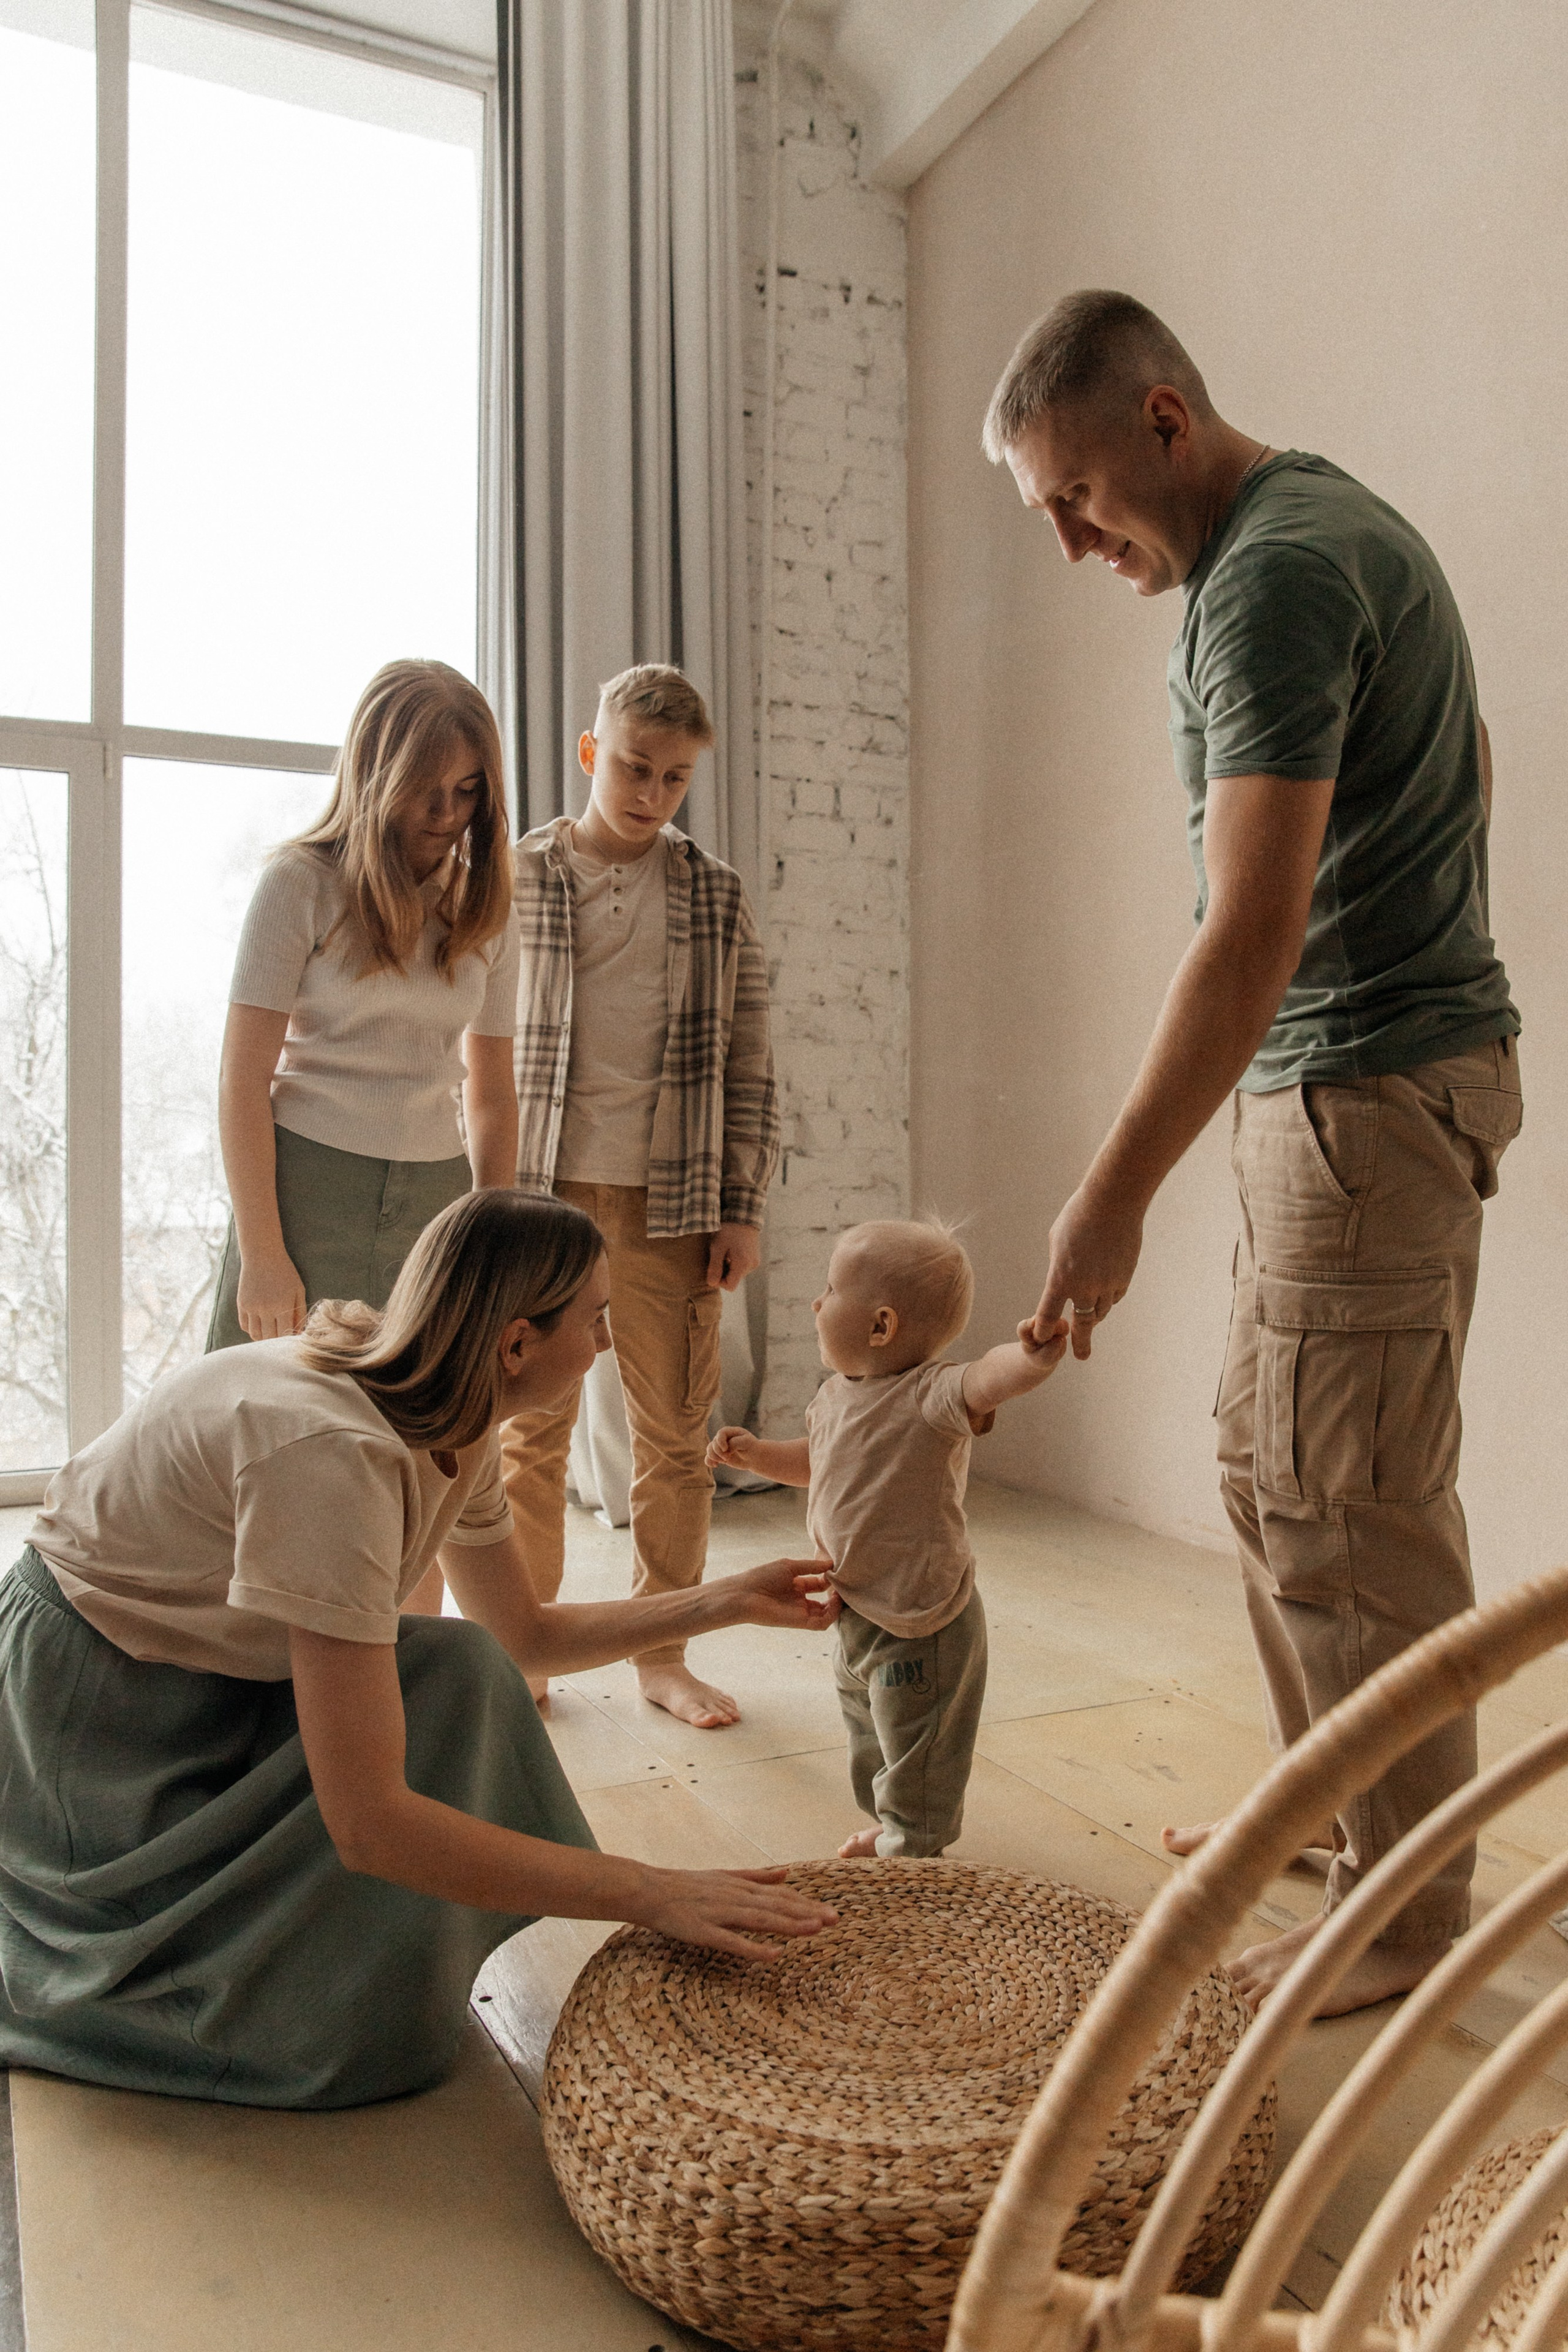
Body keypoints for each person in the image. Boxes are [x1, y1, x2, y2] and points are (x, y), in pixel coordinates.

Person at [982, 288, 1521, 2015]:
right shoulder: (1304, 539)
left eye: (1077, 498)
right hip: (1353, 1078)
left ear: (1161, 419)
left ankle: (1414, 1918)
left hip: (1365, 1084)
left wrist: (1106, 1192)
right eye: (1042, 515)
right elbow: (1467, 762)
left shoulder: (1276, 575)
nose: (1070, 544)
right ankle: (1355, 1816)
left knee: (1343, 1505)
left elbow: (1249, 928)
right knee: (1267, 1466)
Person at [0, 1191, 839, 2111]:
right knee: (340, 2049)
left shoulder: (453, 1408)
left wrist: (727, 1599)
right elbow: (369, 1823)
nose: (604, 1344)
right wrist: (649, 1890)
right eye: (595, 1320)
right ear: (517, 1343)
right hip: (95, 1707)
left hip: (208, 1668)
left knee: (462, 1668)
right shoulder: (330, 1456)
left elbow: (522, 1636)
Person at [503, 665, 778, 1731]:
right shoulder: (520, 875)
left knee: (675, 1441)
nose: (651, 791)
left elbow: (752, 1058)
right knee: (529, 1435)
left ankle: (663, 1654)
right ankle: (517, 1651)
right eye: (632, 767)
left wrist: (741, 1204)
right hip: (543, 1197)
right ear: (589, 752)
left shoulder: (714, 893)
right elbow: (472, 1047)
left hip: (674, 1201)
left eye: (673, 777)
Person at [709, 1221, 1068, 1859]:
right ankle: (893, 1823)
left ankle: (914, 1847)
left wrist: (1031, 1358)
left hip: (919, 1618)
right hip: (856, 1606)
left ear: (880, 1326)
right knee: (869, 1732)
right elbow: (817, 1463)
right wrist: (761, 1456)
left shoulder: (933, 1396)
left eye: (828, 1289)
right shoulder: (832, 1398)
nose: (816, 1304)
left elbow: (988, 1377)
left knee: (917, 1744)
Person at [208, 657, 519, 1358]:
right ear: (376, 777)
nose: (446, 815)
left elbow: (494, 1094)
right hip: (304, 1189)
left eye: (466, 791)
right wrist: (262, 1252)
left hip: (439, 1200)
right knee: (267, 1414)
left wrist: (489, 1245)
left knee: (407, 1429)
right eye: (424, 791)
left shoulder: (488, 905)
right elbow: (241, 1079)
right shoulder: (298, 885)